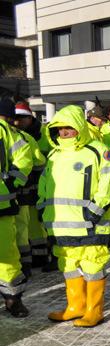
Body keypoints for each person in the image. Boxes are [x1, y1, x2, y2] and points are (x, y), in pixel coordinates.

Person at [38, 105, 110, 327]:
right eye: (60, 128)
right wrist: (42, 208)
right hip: (61, 223)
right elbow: (44, 185)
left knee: (93, 265)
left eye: (69, 128)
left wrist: (95, 211)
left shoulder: (98, 150)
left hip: (92, 222)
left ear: (79, 127)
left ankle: (94, 311)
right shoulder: (54, 154)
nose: (64, 133)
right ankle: (75, 307)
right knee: (68, 264)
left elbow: (109, 183)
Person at [0, 98, 33, 317]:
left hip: (2, 203)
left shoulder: (6, 132)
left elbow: (23, 159)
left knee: (8, 254)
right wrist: (11, 182)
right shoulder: (11, 133)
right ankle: (13, 301)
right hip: (2, 204)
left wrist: (9, 182)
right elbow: (24, 159)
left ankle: (13, 299)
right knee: (7, 255)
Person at [13, 102, 48, 276]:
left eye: (21, 118)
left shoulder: (29, 137)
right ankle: (32, 259)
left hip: (28, 189)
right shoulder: (25, 138)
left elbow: (40, 163)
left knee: (29, 226)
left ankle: (34, 259)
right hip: (27, 189)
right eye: (16, 118)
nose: (18, 122)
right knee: (28, 226)